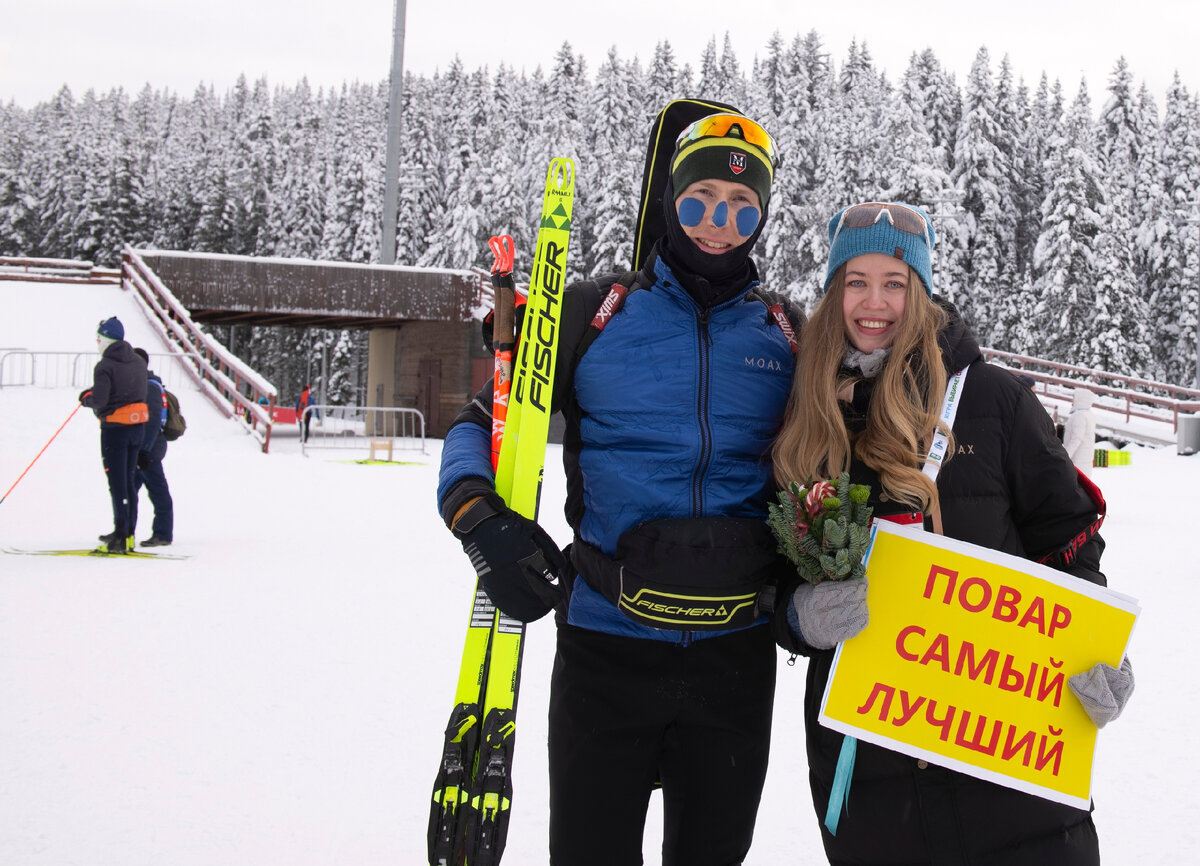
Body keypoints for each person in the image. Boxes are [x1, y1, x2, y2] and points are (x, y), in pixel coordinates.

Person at [437, 111, 798, 865]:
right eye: (699, 200)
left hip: (734, 660)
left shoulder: (786, 334)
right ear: (670, 201)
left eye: (741, 207)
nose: (718, 224)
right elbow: (482, 423)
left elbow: (879, 388)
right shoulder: (595, 314)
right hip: (607, 649)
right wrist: (478, 519)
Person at [770, 202, 1133, 865]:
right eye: (856, 281)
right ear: (832, 291)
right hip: (874, 786)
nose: (874, 303)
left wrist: (1094, 647)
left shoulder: (993, 399)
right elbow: (772, 567)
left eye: (895, 282)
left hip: (1011, 772)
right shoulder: (807, 417)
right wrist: (798, 617)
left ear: (922, 291)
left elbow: (1071, 536)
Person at [79, 317, 149, 553]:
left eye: (99, 338)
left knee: (117, 483)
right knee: (129, 480)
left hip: (115, 430)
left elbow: (100, 400)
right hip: (136, 428)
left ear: (107, 338)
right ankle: (128, 532)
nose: (97, 342)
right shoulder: (138, 361)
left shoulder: (105, 365)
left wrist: (86, 399)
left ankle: (120, 536)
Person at [131, 347, 174, 547]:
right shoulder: (141, 384)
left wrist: (144, 450)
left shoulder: (149, 387)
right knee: (130, 489)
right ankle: (125, 530)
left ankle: (163, 534)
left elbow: (153, 420)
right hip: (142, 448)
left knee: (157, 490)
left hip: (149, 448)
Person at [1062, 386, 1099, 477]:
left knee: (1077, 484)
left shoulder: (1080, 416)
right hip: (1085, 457)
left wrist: (1066, 456)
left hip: (1078, 458)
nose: (1073, 400)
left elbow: (1077, 438)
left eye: (1074, 398)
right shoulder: (1088, 414)